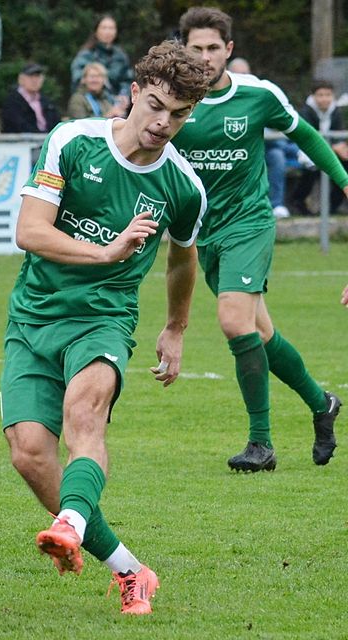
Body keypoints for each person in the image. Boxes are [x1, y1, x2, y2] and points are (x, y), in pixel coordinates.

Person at [2, 40, 209, 615]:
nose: (165, 123)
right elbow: (30, 230)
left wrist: (176, 327)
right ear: (134, 93)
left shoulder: (184, 186)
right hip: (35, 313)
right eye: (158, 106)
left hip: (105, 318)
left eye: (181, 114)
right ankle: (129, 569)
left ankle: (68, 522)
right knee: (29, 453)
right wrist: (108, 251)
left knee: (84, 416)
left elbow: (182, 258)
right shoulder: (73, 139)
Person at [173, 6, 344, 472]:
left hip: (249, 222)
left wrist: (344, 179)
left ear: (228, 50)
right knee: (259, 333)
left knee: (233, 321)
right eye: (196, 48)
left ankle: (261, 443)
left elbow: (305, 134)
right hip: (202, 234)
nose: (205, 57)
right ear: (182, 49)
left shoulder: (258, 95)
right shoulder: (170, 101)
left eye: (213, 48)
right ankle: (321, 401)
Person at [227, 57, 295, 219]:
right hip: (232, 152)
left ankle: (276, 205)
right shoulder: (220, 99)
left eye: (244, 73)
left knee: (277, 154)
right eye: (237, 73)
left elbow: (289, 127)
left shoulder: (261, 95)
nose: (241, 77)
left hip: (266, 148)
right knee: (282, 148)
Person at [290, 79, 348, 216]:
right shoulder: (305, 112)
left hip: (331, 152)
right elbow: (308, 139)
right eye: (320, 95)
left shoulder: (336, 112)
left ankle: (331, 208)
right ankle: (298, 202)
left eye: (328, 95)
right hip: (306, 153)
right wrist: (334, 148)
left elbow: (338, 136)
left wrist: (341, 148)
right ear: (314, 96)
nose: (324, 99)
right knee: (311, 167)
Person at [70, 14, 134, 109]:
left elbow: (127, 78)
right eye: (104, 28)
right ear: (96, 31)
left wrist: (124, 94)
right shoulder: (86, 55)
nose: (107, 32)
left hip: (120, 105)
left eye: (111, 28)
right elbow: (78, 80)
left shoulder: (120, 55)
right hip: (92, 105)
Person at [0, 63, 60, 134]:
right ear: (21, 79)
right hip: (21, 142)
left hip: (47, 141)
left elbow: (56, 123)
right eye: (31, 76)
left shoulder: (46, 101)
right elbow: (19, 126)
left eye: (37, 76)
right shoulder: (12, 101)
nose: (35, 80)